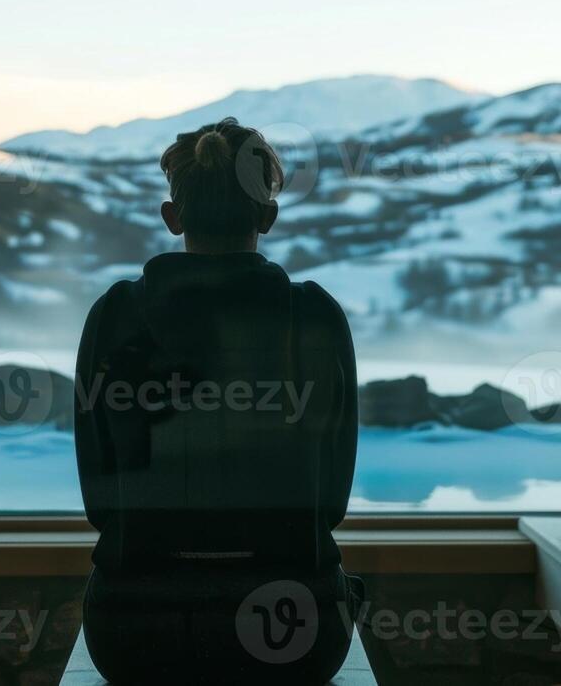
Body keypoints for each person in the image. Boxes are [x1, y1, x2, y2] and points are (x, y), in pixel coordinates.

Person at [74, 117, 363, 685]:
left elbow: (99, 498)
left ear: (173, 217)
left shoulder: (115, 316)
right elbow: (330, 501)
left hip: (131, 636)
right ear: (267, 216)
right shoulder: (314, 318)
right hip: (294, 636)